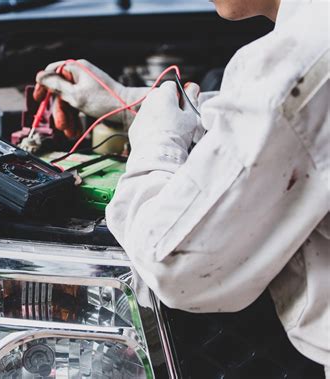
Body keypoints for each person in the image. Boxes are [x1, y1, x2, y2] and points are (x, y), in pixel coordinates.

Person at [35, 0, 329, 373]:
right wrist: (131, 105)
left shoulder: (297, 63)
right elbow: (284, 124)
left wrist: (157, 143)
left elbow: (172, 265)